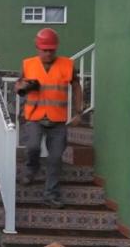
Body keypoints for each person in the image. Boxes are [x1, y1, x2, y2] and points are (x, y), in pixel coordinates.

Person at [14, 28, 83, 209]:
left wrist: (78, 111)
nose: (48, 53)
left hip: (58, 121)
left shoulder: (67, 65)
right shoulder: (28, 64)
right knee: (33, 147)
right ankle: (31, 168)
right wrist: (23, 86)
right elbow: (18, 85)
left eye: (51, 50)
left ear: (56, 48)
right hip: (35, 117)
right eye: (44, 50)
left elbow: (76, 87)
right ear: (38, 48)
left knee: (55, 159)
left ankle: (50, 195)